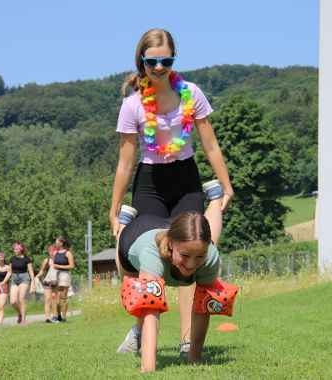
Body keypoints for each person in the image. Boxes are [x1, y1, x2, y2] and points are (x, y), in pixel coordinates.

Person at [110, 28, 235, 356]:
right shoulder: (133, 104)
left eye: (167, 60)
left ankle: (186, 342)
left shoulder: (191, 93)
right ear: (142, 61)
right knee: (151, 258)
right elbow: (124, 163)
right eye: (153, 61)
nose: (160, 67)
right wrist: (114, 208)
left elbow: (210, 144)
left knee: (187, 258)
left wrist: (226, 184)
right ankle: (140, 332)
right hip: (150, 182)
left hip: (185, 178)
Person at [116, 195, 237, 373]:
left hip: (170, 228)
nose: (191, 264)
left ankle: (214, 196)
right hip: (135, 235)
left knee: (204, 298)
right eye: (185, 256)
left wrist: (194, 358)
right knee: (132, 290)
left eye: (199, 257)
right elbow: (150, 309)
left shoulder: (210, 257)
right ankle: (123, 222)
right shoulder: (152, 253)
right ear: (171, 245)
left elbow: (202, 308)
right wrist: (148, 369)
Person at [48, 236, 75, 323]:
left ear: (61, 243)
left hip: (64, 275)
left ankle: (63, 316)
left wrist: (58, 266)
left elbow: (71, 266)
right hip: (55, 275)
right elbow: (52, 264)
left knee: (63, 297)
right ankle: (56, 316)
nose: (55, 243)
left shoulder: (68, 253)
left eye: (56, 242)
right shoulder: (55, 253)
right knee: (55, 297)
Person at [9, 241, 35, 324]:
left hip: (24, 278)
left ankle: (23, 320)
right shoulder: (12, 259)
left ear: (21, 249)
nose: (15, 250)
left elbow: (31, 272)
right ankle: (20, 313)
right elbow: (9, 271)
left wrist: (33, 284)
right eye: (14, 248)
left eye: (16, 248)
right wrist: (3, 281)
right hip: (14, 278)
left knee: (21, 299)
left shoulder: (27, 259)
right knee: (13, 302)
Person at [36, 244, 59, 323]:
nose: (52, 253)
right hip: (47, 281)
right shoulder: (47, 260)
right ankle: (47, 317)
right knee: (47, 299)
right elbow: (42, 271)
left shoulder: (59, 260)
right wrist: (37, 277)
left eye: (53, 251)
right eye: (50, 251)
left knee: (54, 299)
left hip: (56, 282)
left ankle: (55, 316)